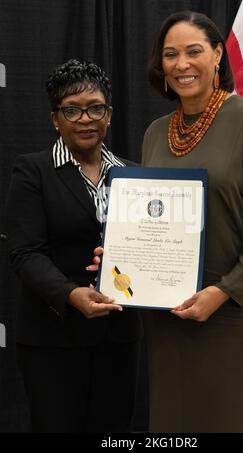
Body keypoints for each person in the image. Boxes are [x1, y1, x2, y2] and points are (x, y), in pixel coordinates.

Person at [139, 10, 243, 433]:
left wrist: (224, 291)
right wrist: (126, 259)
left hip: (239, 308)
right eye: (170, 54)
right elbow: (149, 217)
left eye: (193, 52)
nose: (181, 64)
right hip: (173, 312)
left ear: (218, 55)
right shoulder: (155, 133)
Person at [5, 59, 142, 433]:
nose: (85, 119)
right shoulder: (32, 171)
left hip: (118, 338)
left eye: (95, 108)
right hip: (53, 339)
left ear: (109, 114)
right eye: (72, 110)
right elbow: (24, 252)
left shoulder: (134, 175)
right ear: (55, 119)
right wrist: (69, 294)